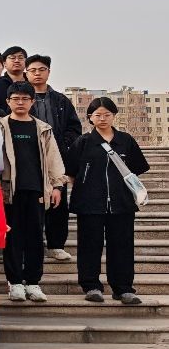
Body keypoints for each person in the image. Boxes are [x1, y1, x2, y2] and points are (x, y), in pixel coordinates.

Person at [67, 97, 150, 304]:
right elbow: (71, 172)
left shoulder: (126, 140)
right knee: (89, 246)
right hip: (89, 204)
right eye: (97, 115)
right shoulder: (83, 142)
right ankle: (91, 286)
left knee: (122, 246)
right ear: (90, 117)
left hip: (121, 204)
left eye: (107, 114)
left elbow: (137, 168)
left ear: (114, 116)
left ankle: (123, 288)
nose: (102, 118)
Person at [0, 82, 66, 303]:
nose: (20, 102)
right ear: (8, 101)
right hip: (9, 191)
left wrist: (57, 186)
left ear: (32, 102)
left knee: (35, 238)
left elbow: (53, 158)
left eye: (25, 99)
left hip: (37, 189)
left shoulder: (43, 128)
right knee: (12, 238)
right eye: (15, 98)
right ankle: (15, 282)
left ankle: (33, 282)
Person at [24, 54, 84, 261]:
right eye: (33, 70)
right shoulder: (21, 98)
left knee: (58, 203)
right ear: (26, 73)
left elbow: (74, 128)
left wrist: (62, 145)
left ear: (48, 72)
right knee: (32, 203)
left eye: (41, 69)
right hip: (29, 158)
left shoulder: (60, 100)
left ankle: (56, 245)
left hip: (56, 159)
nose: (37, 74)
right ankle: (32, 244)